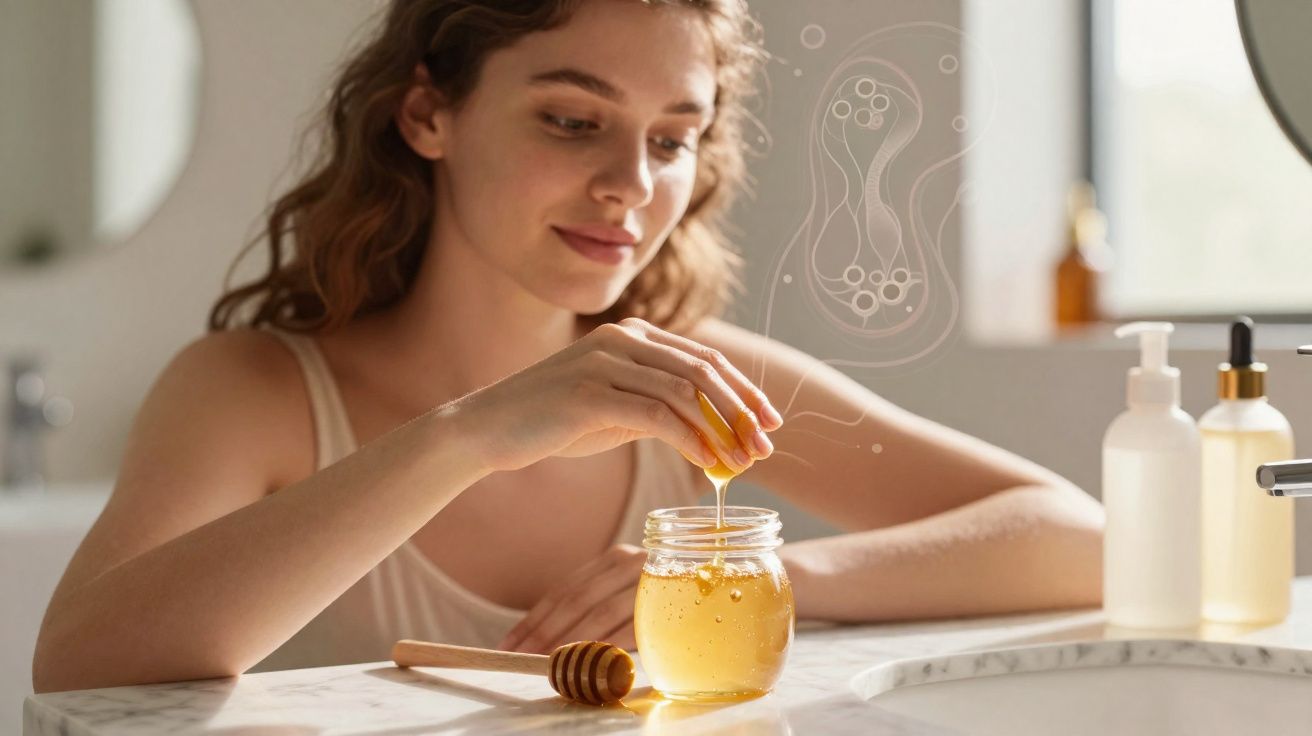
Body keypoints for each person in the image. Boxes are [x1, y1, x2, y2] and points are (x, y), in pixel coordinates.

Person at [33, 0, 1103, 693]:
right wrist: (469, 435)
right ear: (426, 116)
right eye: (570, 120)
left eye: (672, 138)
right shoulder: (255, 390)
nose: (632, 187)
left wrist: (766, 577)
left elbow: (1075, 537)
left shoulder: (687, 373)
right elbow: (82, 661)